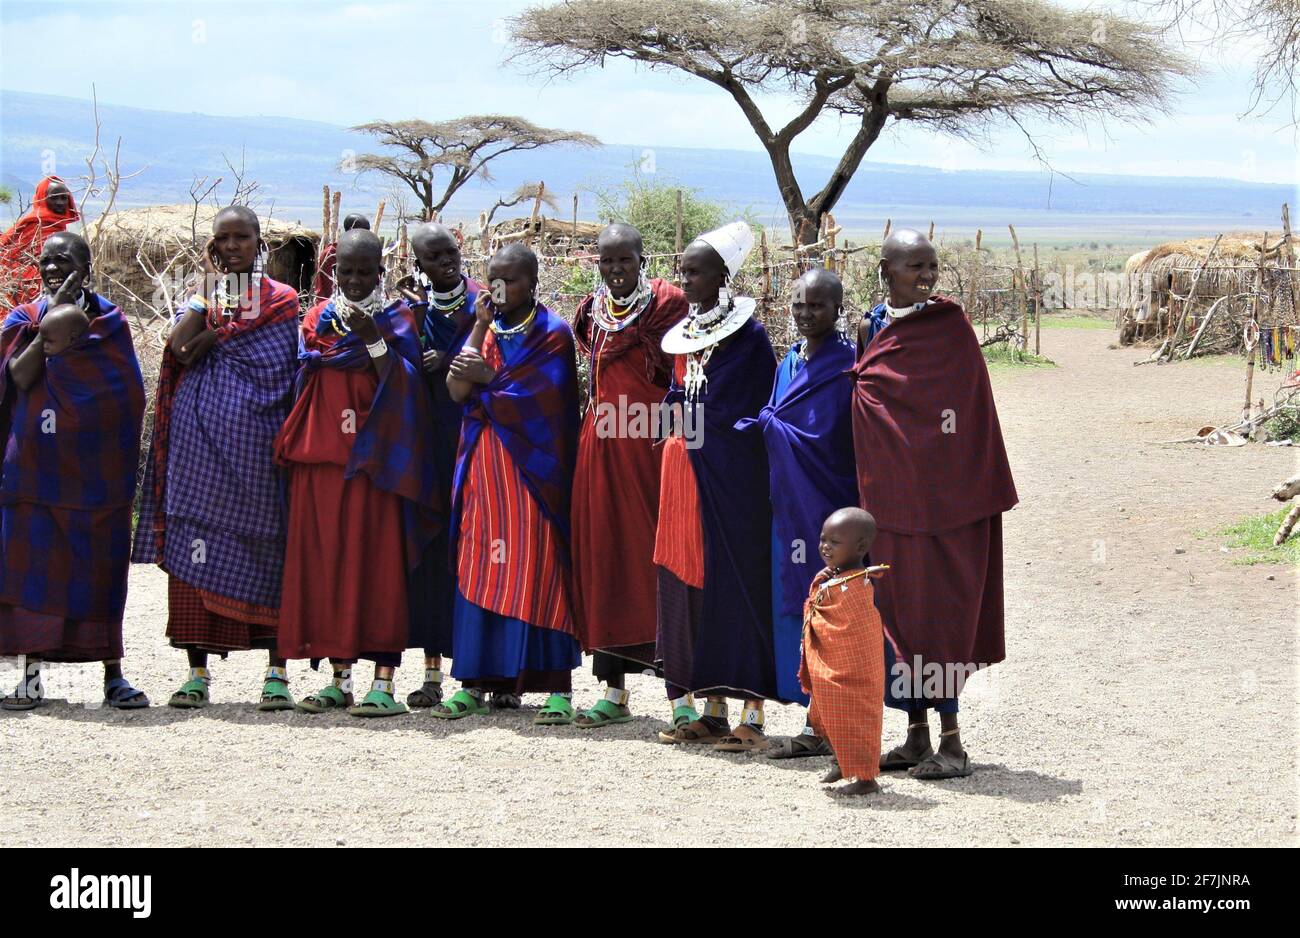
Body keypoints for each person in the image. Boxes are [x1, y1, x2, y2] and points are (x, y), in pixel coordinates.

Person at [852, 228, 1018, 780]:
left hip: (944, 506)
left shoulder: (950, 329)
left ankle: (953, 743)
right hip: (887, 501)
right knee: (896, 616)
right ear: (885, 271)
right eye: (914, 267)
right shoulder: (870, 327)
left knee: (941, 618)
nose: (925, 277)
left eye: (931, 267)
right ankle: (915, 736)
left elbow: (966, 418)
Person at [133, 205, 301, 710]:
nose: (233, 247)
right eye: (223, 240)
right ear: (212, 247)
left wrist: (217, 334)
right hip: (198, 453)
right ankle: (196, 673)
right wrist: (205, 292)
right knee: (194, 545)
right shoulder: (203, 299)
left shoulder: (282, 301)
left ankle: (276, 674)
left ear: (259, 243)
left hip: (258, 454)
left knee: (270, 548)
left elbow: (279, 375)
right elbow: (181, 350)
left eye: (242, 238)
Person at [274, 229, 440, 717]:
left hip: (377, 462)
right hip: (321, 458)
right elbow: (306, 372)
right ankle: (338, 677)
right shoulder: (315, 319)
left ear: (380, 274)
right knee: (328, 566)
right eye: (344, 271)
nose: (352, 280)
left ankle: (383, 681)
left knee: (378, 567)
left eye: (364, 271)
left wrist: (371, 339)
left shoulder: (397, 319)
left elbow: (405, 385)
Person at [432, 243, 581, 724]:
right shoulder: (485, 329)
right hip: (483, 468)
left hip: (532, 473)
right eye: (492, 279)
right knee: (480, 566)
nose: (499, 289)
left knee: (536, 567)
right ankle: (476, 682)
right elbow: (456, 390)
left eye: (510, 280)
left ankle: (554, 685)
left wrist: (489, 377)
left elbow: (549, 402)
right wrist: (477, 327)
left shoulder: (552, 333)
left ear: (533, 282)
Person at [0, 233, 148, 709]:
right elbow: (19, 378)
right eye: (44, 262)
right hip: (36, 470)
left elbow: (125, 396)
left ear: (86, 268)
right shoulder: (24, 318)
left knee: (101, 569)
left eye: (62, 261)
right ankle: (31, 677)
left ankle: (113, 676)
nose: (51, 269)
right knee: (33, 573)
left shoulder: (109, 322)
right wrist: (49, 326)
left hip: (95, 472)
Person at [654, 221, 779, 750]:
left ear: (723, 275)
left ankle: (752, 713)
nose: (685, 281)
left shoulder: (749, 340)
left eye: (696, 271)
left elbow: (748, 415)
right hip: (683, 478)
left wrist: (691, 421)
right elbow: (676, 397)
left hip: (731, 484)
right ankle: (711, 706)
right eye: (682, 272)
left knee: (736, 582)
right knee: (692, 586)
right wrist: (671, 418)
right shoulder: (687, 335)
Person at [570, 223, 689, 729]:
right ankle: (613, 690)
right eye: (607, 261)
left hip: (647, 447)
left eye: (625, 261)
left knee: (656, 558)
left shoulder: (668, 307)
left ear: (643, 260)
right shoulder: (589, 314)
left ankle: (680, 697)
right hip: (600, 447)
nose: (616, 270)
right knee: (608, 557)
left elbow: (678, 376)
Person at [736, 267, 858, 759]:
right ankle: (815, 716)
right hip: (786, 504)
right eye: (799, 305)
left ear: (837, 310)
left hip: (825, 503)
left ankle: (828, 721)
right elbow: (778, 414)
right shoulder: (787, 361)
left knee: (829, 605)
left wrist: (775, 430)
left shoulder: (848, 363)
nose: (806, 313)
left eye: (818, 306)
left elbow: (831, 434)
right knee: (795, 605)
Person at [394, 222, 481, 710]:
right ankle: (431, 673)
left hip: (475, 445)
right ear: (419, 265)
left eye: (450, 253)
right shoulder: (412, 313)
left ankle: (478, 675)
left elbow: (494, 363)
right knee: (431, 558)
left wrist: (446, 357)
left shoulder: (483, 305)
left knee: (473, 553)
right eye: (433, 257)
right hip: (429, 448)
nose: (445, 262)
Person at [799, 507, 887, 796]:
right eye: (823, 539)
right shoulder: (830, 578)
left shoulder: (858, 588)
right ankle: (841, 761)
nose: (825, 546)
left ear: (860, 546)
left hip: (856, 673)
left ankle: (865, 779)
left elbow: (851, 632)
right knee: (829, 710)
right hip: (830, 668)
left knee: (855, 716)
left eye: (834, 542)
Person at [0, 177, 80, 310]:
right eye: (54, 198)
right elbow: (8, 259)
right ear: (42, 199)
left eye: (63, 198)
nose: (60, 203)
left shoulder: (59, 226)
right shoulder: (33, 226)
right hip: (24, 290)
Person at [313, 213, 370, 299]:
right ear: (351, 231)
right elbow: (330, 289)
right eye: (363, 234)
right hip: (330, 306)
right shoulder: (331, 254)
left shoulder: (360, 253)